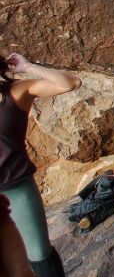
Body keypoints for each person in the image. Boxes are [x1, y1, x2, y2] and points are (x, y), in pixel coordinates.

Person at [1, 53, 82, 277]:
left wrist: (28, 66)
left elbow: (70, 83)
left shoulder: (16, 93)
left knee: (38, 255)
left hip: (15, 188)